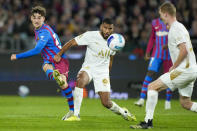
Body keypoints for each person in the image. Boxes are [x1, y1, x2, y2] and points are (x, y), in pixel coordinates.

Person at [54, 18, 136, 121]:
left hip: (102, 72)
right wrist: (59, 54)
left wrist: (107, 73)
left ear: (112, 28)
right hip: (89, 67)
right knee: (80, 80)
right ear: (101, 26)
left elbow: (111, 58)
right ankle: (76, 115)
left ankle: (122, 111)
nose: (107, 31)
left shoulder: (114, 41)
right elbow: (72, 42)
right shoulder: (91, 35)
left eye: (109, 28)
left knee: (106, 103)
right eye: (105, 28)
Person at [130, 1, 197, 129]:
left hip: (184, 70)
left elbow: (183, 49)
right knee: (185, 103)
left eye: (161, 15)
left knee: (152, 87)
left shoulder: (175, 28)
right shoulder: (179, 27)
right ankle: (148, 122)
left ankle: (148, 122)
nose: (160, 18)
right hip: (191, 69)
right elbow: (183, 47)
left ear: (166, 14)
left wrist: (174, 66)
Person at [10, 6, 74, 121]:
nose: (36, 20)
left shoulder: (44, 32)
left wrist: (17, 56)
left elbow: (36, 50)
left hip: (59, 60)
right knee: (50, 71)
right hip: (52, 60)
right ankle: (56, 76)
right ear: (31, 18)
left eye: (39, 18)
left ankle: (72, 111)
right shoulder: (40, 29)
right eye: (34, 17)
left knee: (60, 81)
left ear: (43, 19)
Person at [134, 17, 173, 110]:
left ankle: (168, 101)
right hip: (156, 54)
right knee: (149, 73)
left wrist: (168, 45)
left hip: (169, 55)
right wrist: (148, 51)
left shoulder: (173, 23)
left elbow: (176, 38)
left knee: (169, 76)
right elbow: (152, 38)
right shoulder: (155, 22)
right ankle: (142, 99)